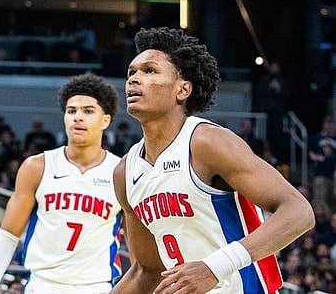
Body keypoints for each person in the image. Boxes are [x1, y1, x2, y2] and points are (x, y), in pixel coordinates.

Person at [112, 27, 315, 294]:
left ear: (183, 89)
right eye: (131, 72)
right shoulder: (125, 172)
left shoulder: (207, 142)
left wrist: (214, 267)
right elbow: (147, 271)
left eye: (150, 71)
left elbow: (299, 212)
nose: (134, 79)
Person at [0, 73, 123, 293]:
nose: (78, 117)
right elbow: (8, 233)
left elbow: (139, 250)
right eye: (71, 111)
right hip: (42, 285)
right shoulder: (37, 166)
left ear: (105, 120)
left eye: (88, 111)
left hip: (97, 287)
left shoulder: (121, 173)